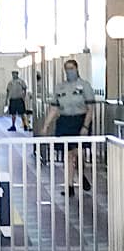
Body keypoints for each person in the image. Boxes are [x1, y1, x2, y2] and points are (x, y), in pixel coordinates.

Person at [40, 59, 95, 196]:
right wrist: (46, 125)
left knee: (78, 153)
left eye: (71, 68)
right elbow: (54, 108)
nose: (69, 71)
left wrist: (85, 126)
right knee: (68, 155)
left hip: (80, 120)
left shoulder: (85, 86)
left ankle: (80, 174)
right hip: (64, 121)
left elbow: (90, 108)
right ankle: (70, 186)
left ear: (77, 69)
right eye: (67, 69)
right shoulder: (60, 87)